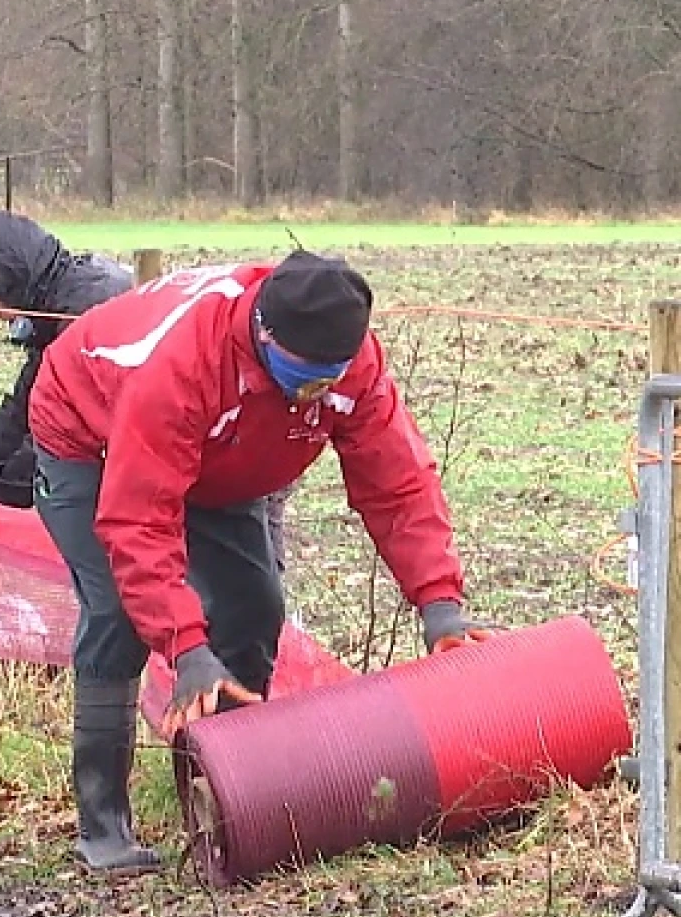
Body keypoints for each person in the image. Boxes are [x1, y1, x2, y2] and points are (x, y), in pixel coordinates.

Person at [25, 250, 495, 873]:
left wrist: (440, 605)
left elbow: (398, 482)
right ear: (263, 333)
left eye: (332, 378)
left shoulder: (351, 369)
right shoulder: (182, 365)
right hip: (89, 434)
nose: (318, 392)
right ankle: (103, 825)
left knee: (255, 604)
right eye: (305, 377)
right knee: (118, 611)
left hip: (226, 458)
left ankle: (227, 794)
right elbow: (139, 521)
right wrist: (186, 648)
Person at [0, 211, 135, 508]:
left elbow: (54, 439)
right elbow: (23, 409)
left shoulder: (79, 317)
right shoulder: (56, 300)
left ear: (10, 282)